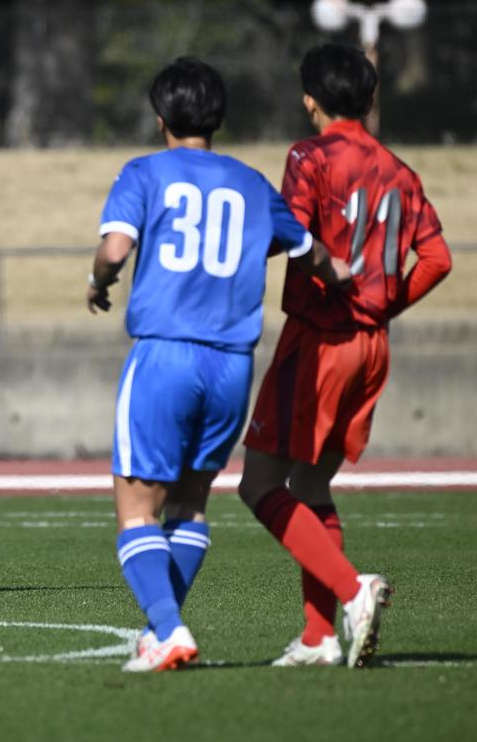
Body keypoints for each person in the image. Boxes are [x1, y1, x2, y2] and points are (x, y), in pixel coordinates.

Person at [87, 57, 347, 672]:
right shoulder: (253, 183)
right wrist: (352, 281)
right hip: (233, 365)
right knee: (191, 503)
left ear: (160, 119)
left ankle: (171, 628)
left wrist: (98, 280)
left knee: (135, 508)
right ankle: (163, 631)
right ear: (219, 118)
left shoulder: (145, 172)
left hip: (164, 356)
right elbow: (316, 259)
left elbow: (115, 249)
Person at [238, 43, 451, 669]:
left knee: (258, 484)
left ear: (310, 98)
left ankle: (352, 590)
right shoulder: (400, 171)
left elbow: (296, 235)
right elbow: (438, 260)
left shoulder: (309, 155)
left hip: (320, 339)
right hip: (371, 347)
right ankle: (318, 637)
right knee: (310, 484)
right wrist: (380, 306)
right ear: (372, 98)